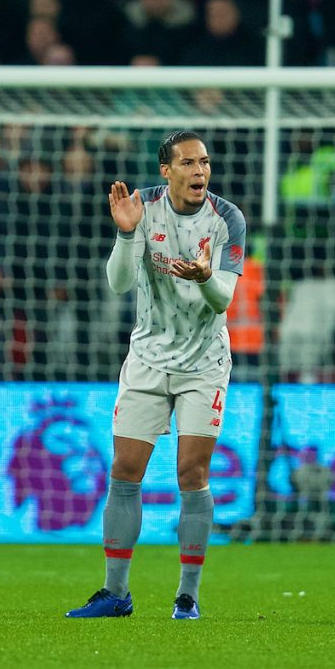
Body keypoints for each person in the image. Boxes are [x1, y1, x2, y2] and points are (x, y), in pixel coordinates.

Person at [65, 131, 246, 621]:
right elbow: (119, 283)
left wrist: (205, 276)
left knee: (192, 473)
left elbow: (224, 300)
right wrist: (127, 234)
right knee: (125, 471)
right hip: (147, 356)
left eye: (205, 162)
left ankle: (187, 596)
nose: (200, 171)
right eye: (189, 163)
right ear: (166, 170)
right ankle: (115, 593)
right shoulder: (141, 206)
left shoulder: (227, 219)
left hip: (204, 362)